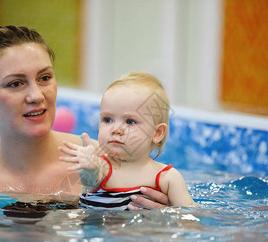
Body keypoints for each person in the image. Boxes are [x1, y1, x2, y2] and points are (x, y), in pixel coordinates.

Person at [0, 25, 168, 210]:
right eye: (16, 83)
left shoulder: (112, 160)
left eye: (44, 77)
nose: (36, 96)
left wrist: (161, 219)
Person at [59, 72, 196, 209]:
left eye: (130, 121)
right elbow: (90, 180)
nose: (116, 129)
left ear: (157, 133)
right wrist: (88, 167)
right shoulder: (101, 167)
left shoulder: (167, 178)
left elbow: (190, 219)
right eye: (107, 119)